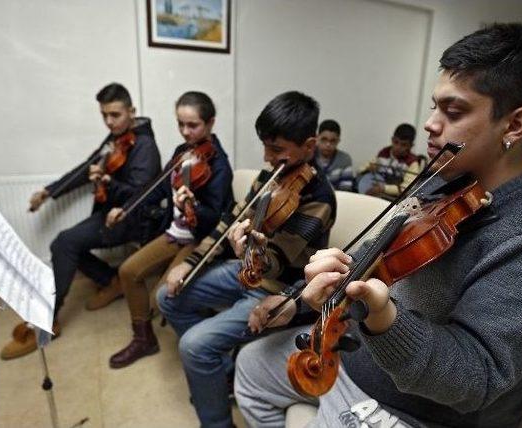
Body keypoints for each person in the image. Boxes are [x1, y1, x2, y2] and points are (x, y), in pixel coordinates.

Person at [234, 23, 522, 428]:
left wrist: (384, 317)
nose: (429, 123)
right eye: (433, 106)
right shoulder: (445, 180)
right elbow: (366, 255)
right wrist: (299, 295)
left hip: (418, 407)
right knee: (252, 366)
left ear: (514, 126)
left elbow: (473, 378)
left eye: (453, 111)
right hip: (354, 354)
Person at [157, 91, 336, 427]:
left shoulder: (319, 199)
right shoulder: (269, 178)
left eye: (277, 149)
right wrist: (190, 261)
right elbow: (229, 221)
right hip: (244, 272)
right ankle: (221, 373)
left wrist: (251, 250)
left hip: (276, 289)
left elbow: (276, 261)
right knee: (167, 296)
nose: (268, 157)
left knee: (195, 346)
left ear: (309, 146)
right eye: (265, 146)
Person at [0, 83, 162, 360]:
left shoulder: (144, 146)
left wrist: (108, 181)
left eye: (115, 115)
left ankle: (46, 319)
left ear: (131, 111)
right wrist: (49, 192)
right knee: (66, 244)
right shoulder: (117, 138)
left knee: (64, 243)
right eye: (104, 116)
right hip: (108, 213)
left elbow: (140, 196)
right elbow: (85, 167)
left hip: (130, 219)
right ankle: (111, 281)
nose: (109, 122)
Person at [106, 91, 234, 369]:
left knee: (160, 298)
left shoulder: (220, 165)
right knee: (127, 271)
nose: (185, 132)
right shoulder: (181, 153)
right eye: (181, 124)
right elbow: (155, 188)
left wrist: (193, 205)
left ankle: (206, 350)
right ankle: (143, 340)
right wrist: (125, 207)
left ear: (210, 123)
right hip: (175, 233)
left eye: (193, 125)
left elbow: (215, 219)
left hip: (199, 239)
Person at [356, 123, 425, 199]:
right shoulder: (384, 153)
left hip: (394, 200)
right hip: (377, 195)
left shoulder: (412, 163)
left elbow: (407, 188)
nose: (398, 147)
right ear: (392, 140)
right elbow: (359, 169)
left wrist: (384, 188)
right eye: (396, 142)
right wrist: (369, 168)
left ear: (410, 146)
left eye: (403, 144)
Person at [314, 119, 354, 191]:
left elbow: (346, 190)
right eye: (324, 139)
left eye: (333, 141)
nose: (328, 144)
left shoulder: (345, 159)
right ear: (317, 138)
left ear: (338, 141)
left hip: (335, 199)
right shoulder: (308, 156)